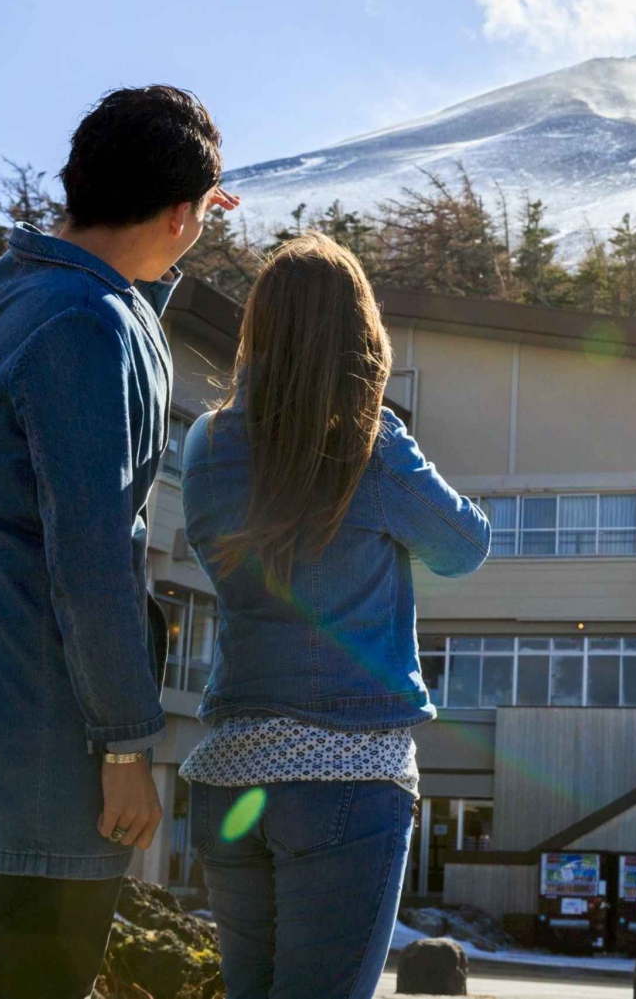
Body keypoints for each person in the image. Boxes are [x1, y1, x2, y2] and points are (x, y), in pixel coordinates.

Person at [0, 86, 237, 999]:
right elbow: (94, 559)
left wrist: (170, 237)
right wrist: (129, 748)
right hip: (66, 722)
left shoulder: (13, 288)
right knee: (42, 978)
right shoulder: (88, 327)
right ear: (181, 213)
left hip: (4, 687)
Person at [178, 233, 491, 999]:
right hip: (347, 774)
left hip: (230, 771)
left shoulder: (208, 443)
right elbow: (465, 547)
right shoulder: (369, 447)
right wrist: (383, 424)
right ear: (361, 334)